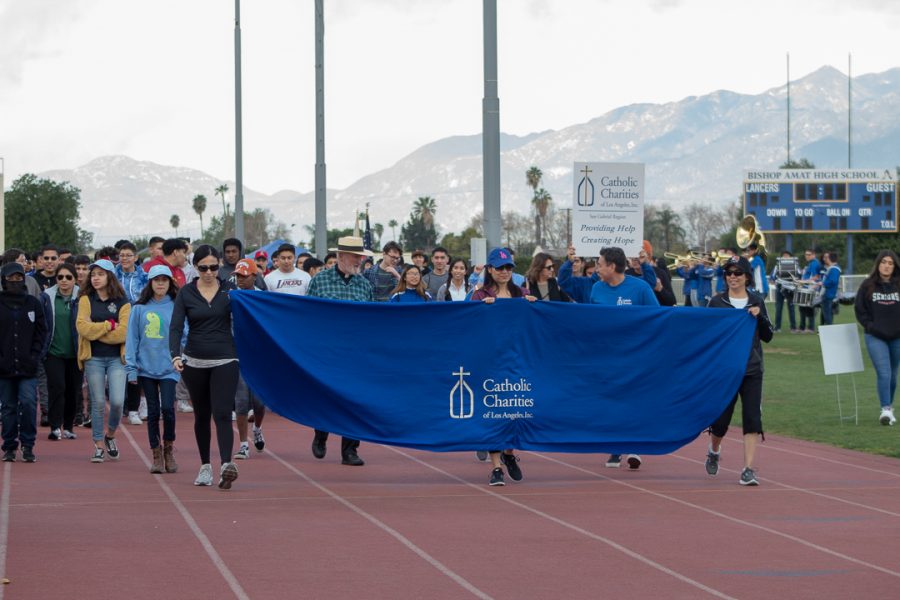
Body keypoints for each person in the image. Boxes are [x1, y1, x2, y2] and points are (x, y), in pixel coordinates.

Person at [169, 245, 240, 489]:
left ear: (219, 265)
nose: (209, 272)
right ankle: (205, 466)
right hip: (194, 361)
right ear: (195, 267)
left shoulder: (231, 291)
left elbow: (251, 314)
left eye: (213, 267)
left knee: (222, 412)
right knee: (201, 415)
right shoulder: (186, 293)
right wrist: (175, 355)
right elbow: (176, 327)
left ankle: (226, 466)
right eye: (203, 268)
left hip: (226, 359)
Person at [705, 256, 773, 486]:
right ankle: (714, 450)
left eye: (737, 273)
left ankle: (748, 469)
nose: (732, 276)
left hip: (752, 369)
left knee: (752, 419)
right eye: (729, 273)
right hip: (725, 371)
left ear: (746, 276)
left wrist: (759, 317)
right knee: (721, 421)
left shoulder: (756, 300)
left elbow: (768, 335)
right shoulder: (716, 302)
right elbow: (706, 335)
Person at [307, 236, 375, 466]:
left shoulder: (364, 284)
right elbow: (308, 314)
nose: (360, 260)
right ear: (341, 256)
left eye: (361, 256)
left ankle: (350, 450)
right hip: (327, 351)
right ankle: (321, 433)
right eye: (356, 256)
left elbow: (371, 319)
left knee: (355, 400)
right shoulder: (320, 281)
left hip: (355, 352)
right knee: (324, 395)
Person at [590, 246, 659, 470]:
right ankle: (615, 447)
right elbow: (587, 321)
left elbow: (657, 318)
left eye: (600, 264)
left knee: (633, 400)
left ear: (611, 266)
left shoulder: (640, 288)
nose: (597, 268)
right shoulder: (596, 290)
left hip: (635, 357)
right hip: (607, 357)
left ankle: (635, 446)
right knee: (611, 401)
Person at [470, 248, 535, 485]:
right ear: (490, 269)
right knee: (494, 412)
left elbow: (533, 325)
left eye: (509, 267)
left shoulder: (523, 293)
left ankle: (509, 454)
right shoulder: (479, 295)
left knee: (517, 412)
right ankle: (496, 466)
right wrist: (481, 310)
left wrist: (534, 306)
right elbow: (468, 323)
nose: (505, 272)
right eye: (500, 267)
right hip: (490, 362)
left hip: (518, 361)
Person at [125, 265, 182, 474]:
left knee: (168, 408)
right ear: (150, 282)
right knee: (153, 410)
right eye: (156, 280)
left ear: (170, 283)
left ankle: (169, 448)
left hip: (168, 367)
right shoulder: (138, 308)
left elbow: (184, 335)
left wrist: (181, 358)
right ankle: (156, 453)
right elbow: (132, 339)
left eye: (164, 280)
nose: (160, 283)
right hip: (145, 368)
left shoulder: (177, 306)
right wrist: (131, 368)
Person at [76, 259, 131, 463]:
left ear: (110, 276)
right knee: (98, 402)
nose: (95, 278)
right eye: (93, 274)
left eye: (100, 273)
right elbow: (82, 328)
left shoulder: (123, 302)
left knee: (117, 402)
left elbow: (124, 334)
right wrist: (109, 325)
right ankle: (98, 444)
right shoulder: (85, 300)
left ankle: (110, 435)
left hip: (117, 358)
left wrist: (97, 329)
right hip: (94, 358)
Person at [0, 262, 48, 463]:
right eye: (11, 278)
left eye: (19, 278)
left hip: (28, 366)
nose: (15, 282)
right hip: (3, 366)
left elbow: (41, 331)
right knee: (8, 407)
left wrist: (35, 355)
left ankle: (28, 444)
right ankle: (9, 445)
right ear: (4, 280)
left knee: (28, 403)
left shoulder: (33, 303)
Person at [854, 250, 900, 426]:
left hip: (897, 337)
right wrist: (869, 326)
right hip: (875, 336)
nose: (886, 265)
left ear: (894, 266)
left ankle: (889, 407)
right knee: (884, 372)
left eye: (890, 263)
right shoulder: (868, 285)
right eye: (883, 262)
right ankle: (885, 409)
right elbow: (860, 309)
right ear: (878, 264)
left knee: (893, 376)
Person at [231, 259, 268, 459]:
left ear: (254, 276)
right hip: (239, 355)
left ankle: (258, 429)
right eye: (237, 275)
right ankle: (244, 444)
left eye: (244, 276)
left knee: (260, 403)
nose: (240, 279)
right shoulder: (232, 297)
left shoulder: (263, 298)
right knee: (242, 401)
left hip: (260, 357)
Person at [40, 263, 81, 441]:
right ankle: (55, 426)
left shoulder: (83, 297)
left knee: (73, 390)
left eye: (68, 277)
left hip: (77, 353)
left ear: (75, 279)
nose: (64, 281)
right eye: (60, 277)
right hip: (53, 352)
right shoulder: (46, 297)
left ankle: (69, 427)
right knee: (57, 387)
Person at [771, 251, 798, 333]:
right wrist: (776, 281)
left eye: (787, 256)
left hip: (790, 288)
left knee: (791, 308)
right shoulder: (777, 266)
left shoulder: (795, 265)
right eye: (784, 256)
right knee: (778, 308)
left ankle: (793, 328)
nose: (785, 257)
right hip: (780, 288)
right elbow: (772, 277)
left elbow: (799, 274)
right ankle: (777, 327)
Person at [798, 249, 821, 334]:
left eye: (809, 254)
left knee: (809, 309)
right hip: (806, 288)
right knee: (803, 308)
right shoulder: (811, 263)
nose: (807, 256)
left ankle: (810, 328)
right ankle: (802, 327)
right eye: (806, 254)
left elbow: (816, 277)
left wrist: (803, 281)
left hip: (810, 288)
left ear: (813, 255)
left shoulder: (815, 263)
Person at [819, 252, 841, 326]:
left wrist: (823, 283)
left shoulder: (834, 268)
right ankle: (827, 328)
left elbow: (833, 281)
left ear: (829, 258)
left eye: (827, 258)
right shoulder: (833, 268)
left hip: (829, 293)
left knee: (827, 313)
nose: (825, 259)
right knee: (827, 312)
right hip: (829, 293)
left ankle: (830, 329)